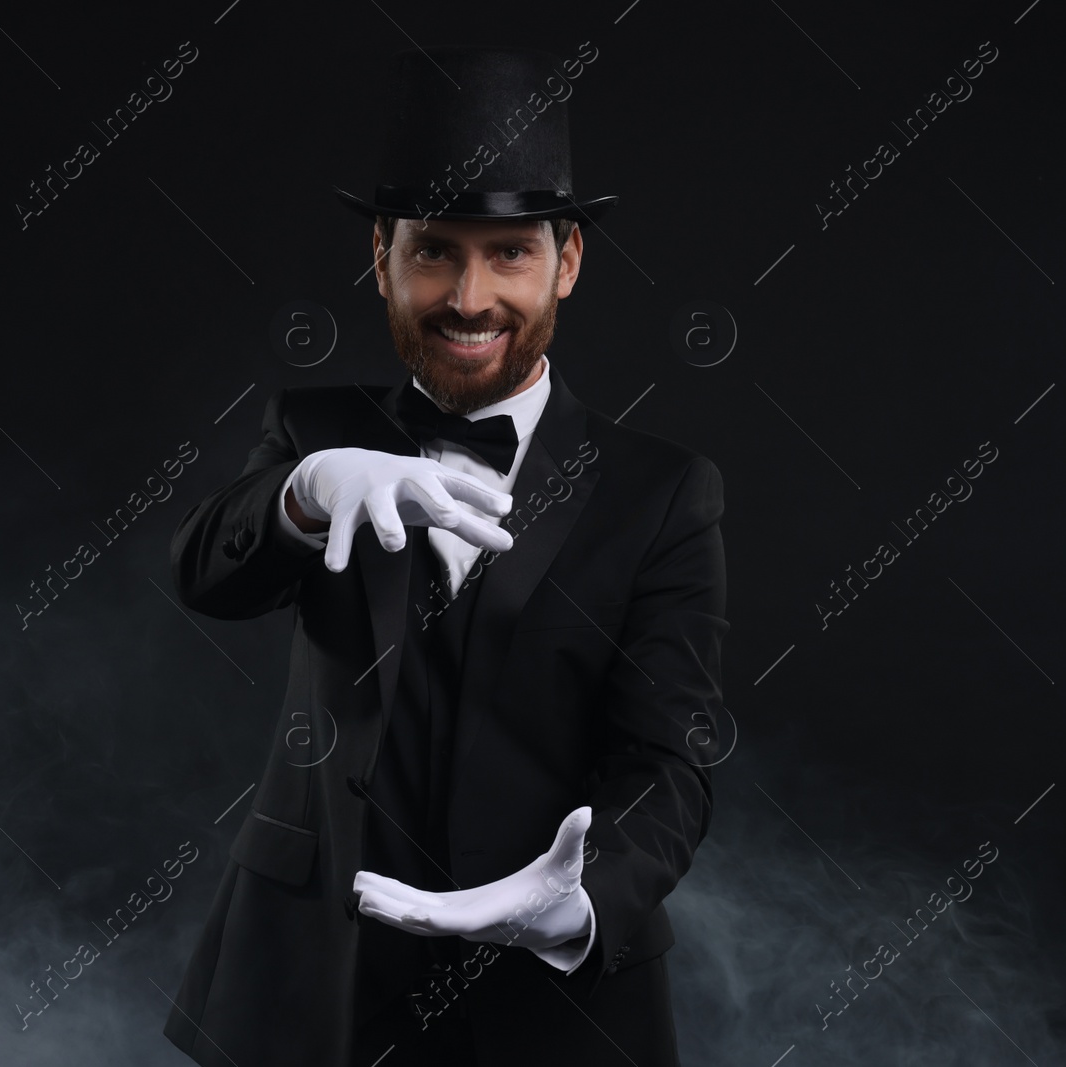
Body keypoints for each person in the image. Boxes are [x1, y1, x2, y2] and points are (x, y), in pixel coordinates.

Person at [162, 45, 727, 1067]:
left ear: (569, 260)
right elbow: (206, 573)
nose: (468, 296)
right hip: (309, 983)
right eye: (435, 252)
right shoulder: (312, 425)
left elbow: (668, 763)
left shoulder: (664, 491)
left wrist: (581, 898)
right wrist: (307, 488)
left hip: (552, 1006)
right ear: (381, 257)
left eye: (508, 252)